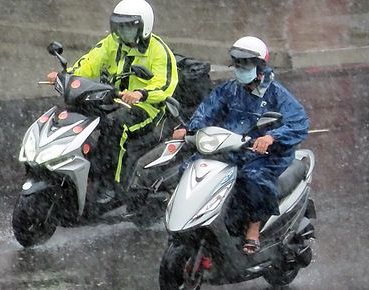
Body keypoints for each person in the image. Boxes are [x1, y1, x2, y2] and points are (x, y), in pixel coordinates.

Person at [173, 36, 309, 254]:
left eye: (245, 65)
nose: (240, 70)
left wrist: (272, 137)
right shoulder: (229, 90)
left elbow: (299, 123)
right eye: (237, 65)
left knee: (253, 178)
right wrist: (190, 129)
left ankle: (253, 228)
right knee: (191, 167)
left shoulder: (277, 94)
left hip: (267, 156)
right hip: (232, 149)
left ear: (260, 67)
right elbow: (207, 110)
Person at [47, 0, 178, 201]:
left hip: (147, 108)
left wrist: (141, 93)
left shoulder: (158, 51)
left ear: (144, 26)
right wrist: (66, 77)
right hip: (113, 100)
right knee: (74, 114)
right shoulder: (112, 42)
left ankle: (111, 186)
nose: (122, 31)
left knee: (117, 127)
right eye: (119, 25)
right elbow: (90, 62)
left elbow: (165, 84)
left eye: (129, 26)